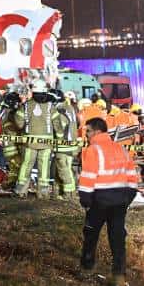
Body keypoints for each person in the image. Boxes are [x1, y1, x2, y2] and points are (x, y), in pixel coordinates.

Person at [78, 117, 139, 284]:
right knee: (117, 238)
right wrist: (127, 198)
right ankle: (119, 275)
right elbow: (133, 178)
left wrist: (85, 200)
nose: (86, 135)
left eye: (88, 131)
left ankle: (87, 268)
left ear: (97, 131)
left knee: (91, 234)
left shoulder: (93, 149)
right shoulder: (121, 148)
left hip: (99, 200)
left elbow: (88, 177)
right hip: (120, 201)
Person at [13, 80, 54, 199]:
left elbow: (19, 123)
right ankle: (43, 193)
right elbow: (57, 123)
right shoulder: (51, 106)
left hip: (29, 143)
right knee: (44, 168)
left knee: (26, 166)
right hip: (46, 144)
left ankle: (20, 191)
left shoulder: (26, 106)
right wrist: (59, 139)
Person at [52, 91, 80, 201]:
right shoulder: (69, 108)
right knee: (67, 169)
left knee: (63, 170)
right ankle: (69, 192)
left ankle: (68, 194)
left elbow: (60, 128)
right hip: (71, 145)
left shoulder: (60, 109)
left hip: (63, 145)